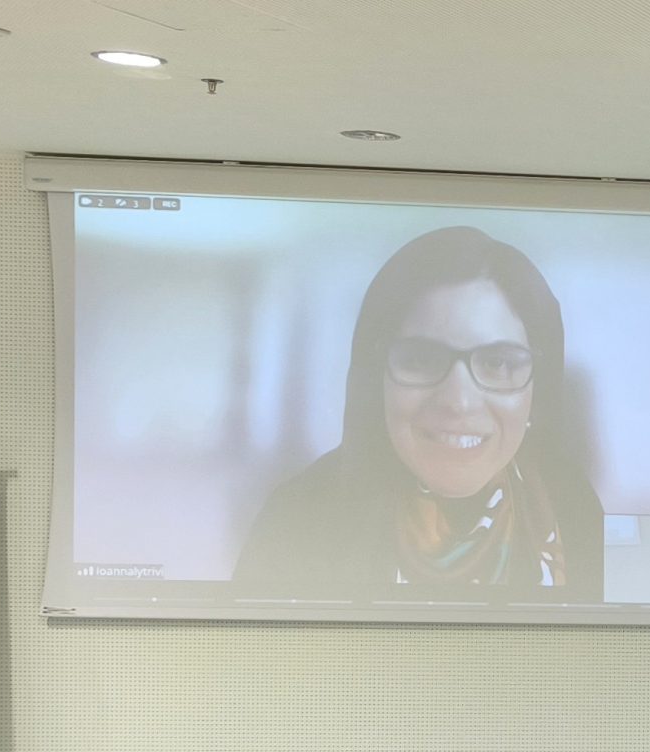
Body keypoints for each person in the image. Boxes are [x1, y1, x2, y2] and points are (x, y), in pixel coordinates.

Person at [237, 225, 606, 602]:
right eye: (421, 359)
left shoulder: (572, 506)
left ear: (536, 391)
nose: (459, 402)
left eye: (497, 362)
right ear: (376, 378)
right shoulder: (298, 517)